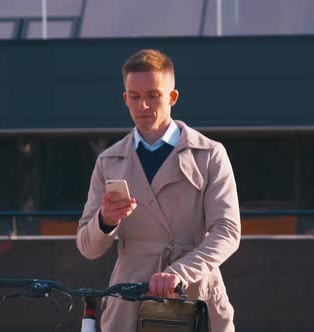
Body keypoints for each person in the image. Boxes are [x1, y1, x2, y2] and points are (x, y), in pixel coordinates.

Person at [76, 49, 241, 332]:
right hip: (130, 300)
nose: (143, 105)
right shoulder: (109, 161)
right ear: (125, 99)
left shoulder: (210, 154)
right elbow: (87, 247)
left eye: (153, 95)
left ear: (172, 97)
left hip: (194, 295)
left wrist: (178, 272)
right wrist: (105, 220)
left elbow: (227, 231)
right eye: (135, 96)